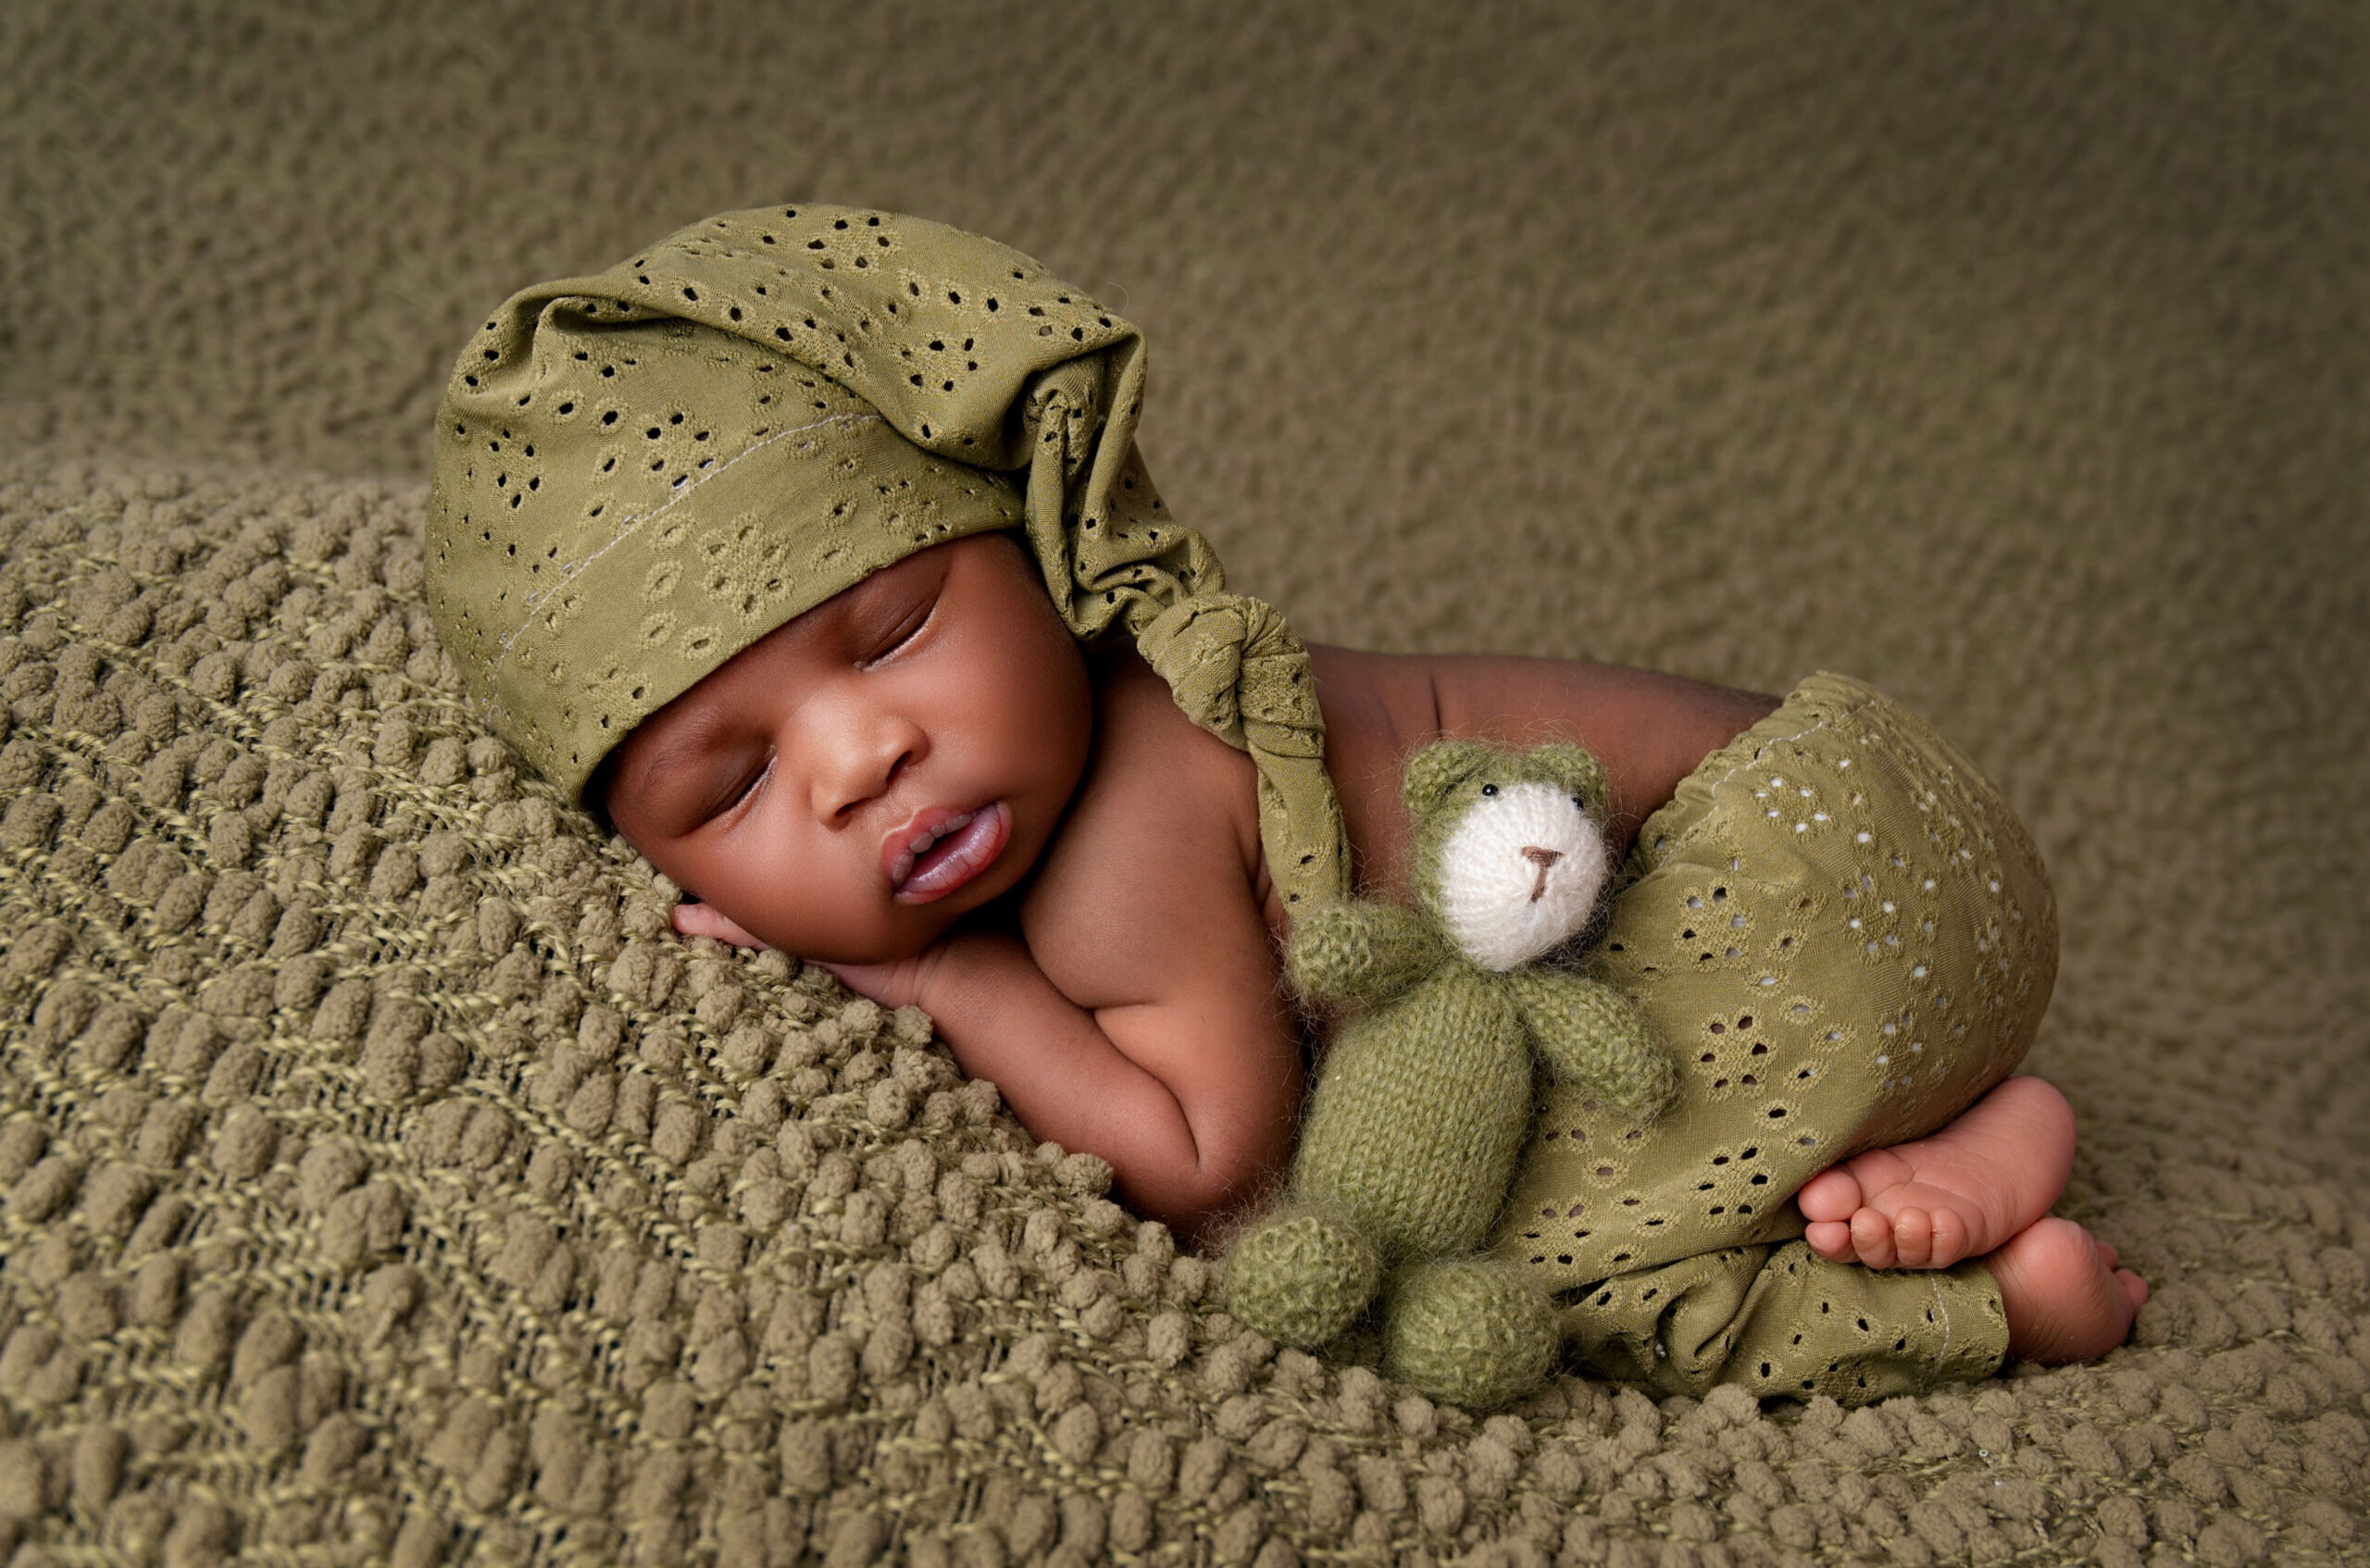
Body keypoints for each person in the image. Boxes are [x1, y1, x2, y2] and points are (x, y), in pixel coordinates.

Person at [427, 205, 2145, 1400]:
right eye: (734, 785)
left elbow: (1204, 1157)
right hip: (1911, 821)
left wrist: (948, 982)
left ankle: (1987, 1309)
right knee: (1501, 1081)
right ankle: (1976, 1111)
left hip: (1787, 879)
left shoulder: (1132, 823)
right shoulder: (1174, 705)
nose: (856, 760)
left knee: (1471, 1246)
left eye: (895, 633)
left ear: (1033, 545)